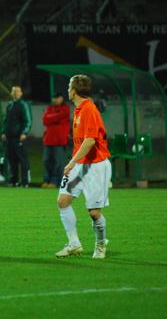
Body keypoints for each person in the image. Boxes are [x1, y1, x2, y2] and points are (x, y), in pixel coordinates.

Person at [56, 75, 111, 259]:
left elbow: (89, 142)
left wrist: (71, 162)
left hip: (96, 166)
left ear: (74, 91)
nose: (67, 90)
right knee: (63, 201)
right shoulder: (79, 109)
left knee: (94, 213)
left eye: (69, 86)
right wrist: (75, 162)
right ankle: (74, 244)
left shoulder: (89, 109)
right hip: (80, 164)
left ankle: (101, 243)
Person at [0, 85, 32, 187]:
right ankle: (14, 180)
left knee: (23, 160)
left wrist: (24, 132)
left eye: (17, 91)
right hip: (9, 137)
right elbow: (6, 121)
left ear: (21, 93)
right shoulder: (10, 105)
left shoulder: (23, 105)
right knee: (11, 159)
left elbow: (28, 120)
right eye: (14, 91)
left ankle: (25, 181)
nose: (15, 93)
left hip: (18, 137)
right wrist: (3, 132)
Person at [41, 93, 71, 189]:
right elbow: (44, 120)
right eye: (54, 98)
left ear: (61, 98)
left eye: (56, 98)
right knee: (46, 161)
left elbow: (59, 117)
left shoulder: (66, 108)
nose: (54, 100)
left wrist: (50, 117)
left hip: (59, 140)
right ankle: (47, 180)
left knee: (58, 162)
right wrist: (55, 118)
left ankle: (55, 181)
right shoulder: (50, 108)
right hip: (48, 139)